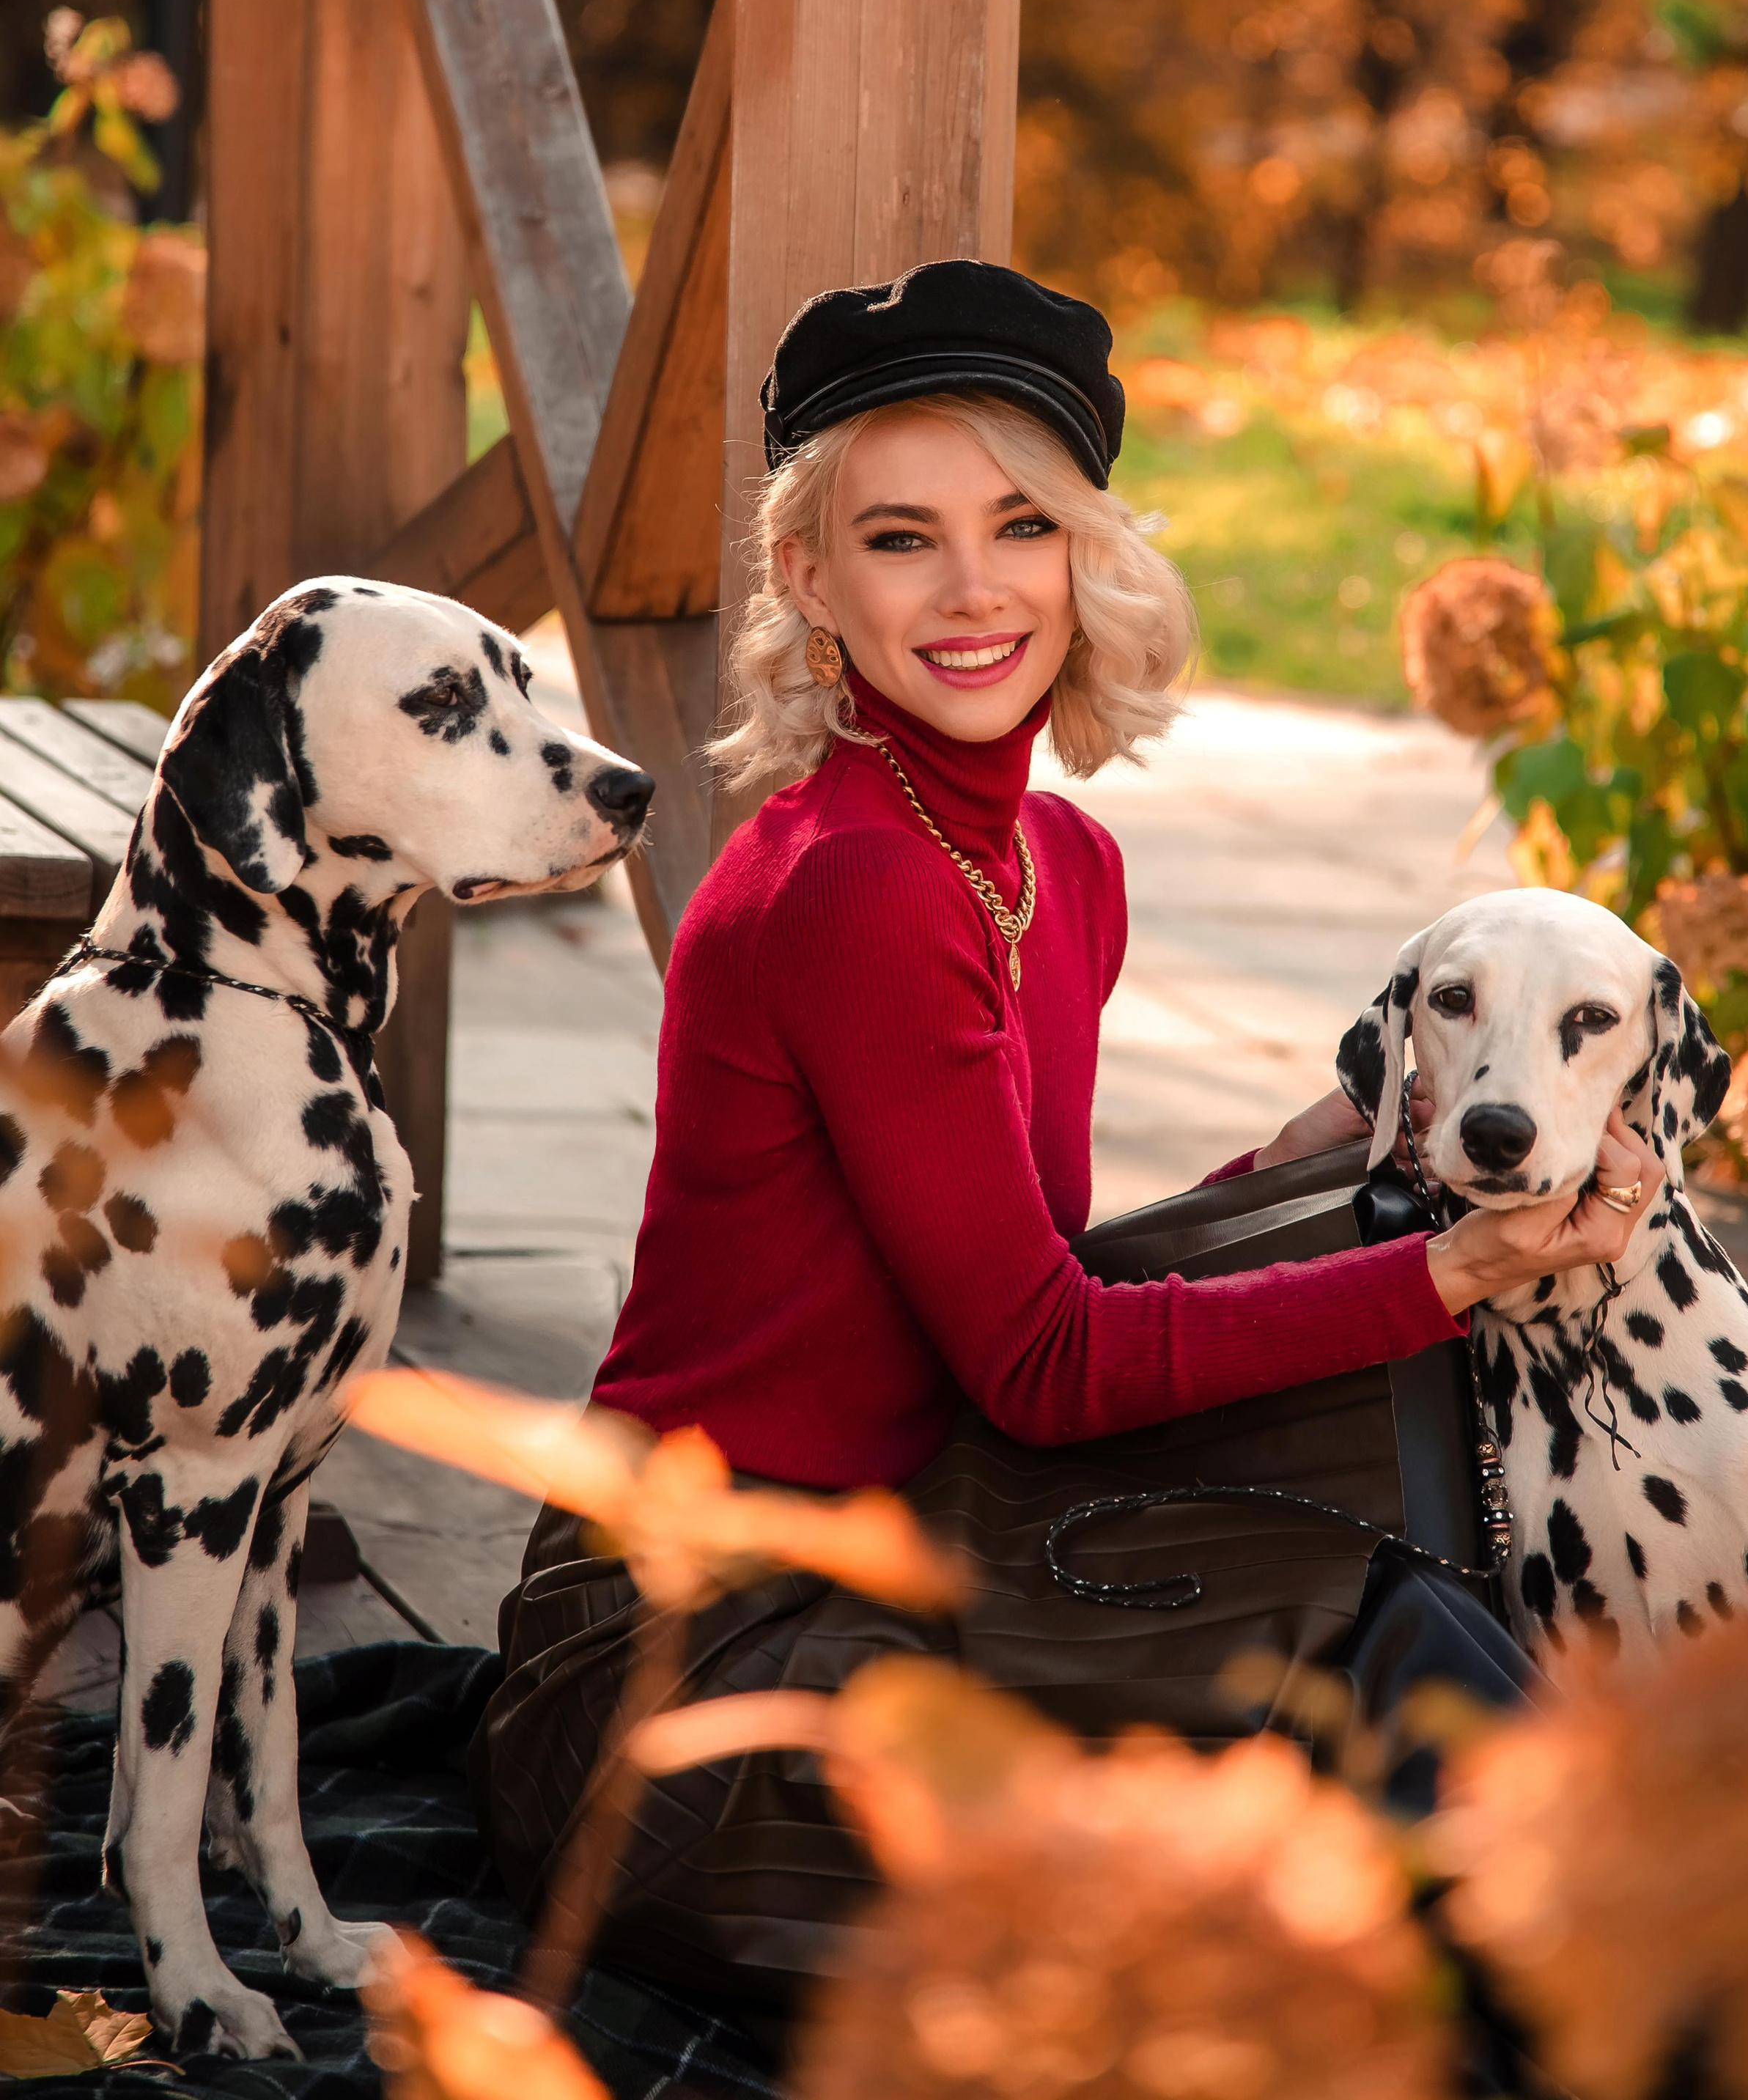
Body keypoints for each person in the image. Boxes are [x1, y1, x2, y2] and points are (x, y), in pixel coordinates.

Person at [472, 259, 1660, 2047]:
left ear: (1082, 552)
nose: (971, 591)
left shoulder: (1055, 865)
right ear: (807, 577)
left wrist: (1323, 1149)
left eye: (1019, 524)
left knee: (1372, 1614)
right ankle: (1663, 1980)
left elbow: (1022, 1274)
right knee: (1291, 1830)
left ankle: (1651, 1957)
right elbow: (1041, 1365)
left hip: (927, 1545)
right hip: (696, 1674)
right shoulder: (850, 887)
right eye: (899, 538)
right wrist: (1446, 1275)